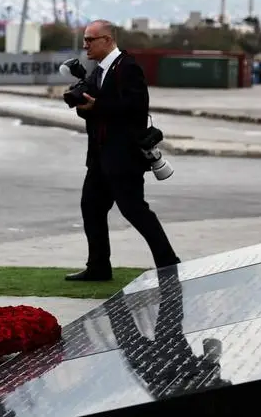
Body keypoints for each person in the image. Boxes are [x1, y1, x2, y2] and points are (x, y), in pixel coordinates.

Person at [67, 19, 180, 281]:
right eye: (85, 40)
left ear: (107, 40)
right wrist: (85, 109)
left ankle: (169, 262)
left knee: (134, 209)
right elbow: (99, 112)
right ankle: (98, 267)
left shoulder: (127, 67)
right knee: (91, 207)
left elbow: (135, 108)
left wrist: (97, 107)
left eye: (90, 40)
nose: (85, 45)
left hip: (123, 157)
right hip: (99, 156)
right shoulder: (99, 70)